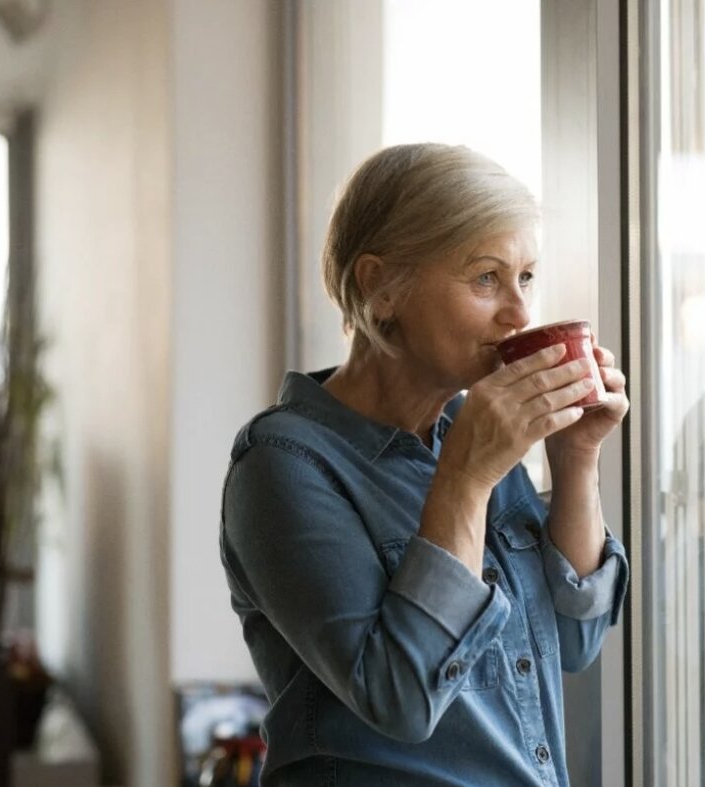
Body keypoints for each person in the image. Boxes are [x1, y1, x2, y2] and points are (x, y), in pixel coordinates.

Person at [219, 143, 631, 787]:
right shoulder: (283, 466)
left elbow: (575, 641)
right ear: (380, 287)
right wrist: (465, 480)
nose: (520, 313)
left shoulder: (467, 434)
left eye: (525, 278)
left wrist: (576, 458)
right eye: (486, 278)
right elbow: (401, 699)